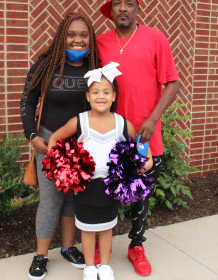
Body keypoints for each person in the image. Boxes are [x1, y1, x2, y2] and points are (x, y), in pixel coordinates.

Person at [97, 0, 180, 276]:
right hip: (109, 134)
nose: (123, 8)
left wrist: (153, 118)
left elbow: (172, 82)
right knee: (103, 189)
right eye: (117, 3)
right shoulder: (100, 43)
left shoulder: (155, 38)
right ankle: (99, 243)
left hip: (145, 135)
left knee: (140, 193)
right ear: (111, 10)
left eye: (128, 4)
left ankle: (136, 245)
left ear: (136, 8)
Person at [47, 62, 153, 280]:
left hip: (111, 186)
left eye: (106, 92)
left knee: (106, 228)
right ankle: (89, 267)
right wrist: (59, 163)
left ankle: (104, 266)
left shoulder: (122, 123)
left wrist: (145, 164)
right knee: (87, 229)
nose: (101, 96)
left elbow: (144, 149)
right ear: (87, 96)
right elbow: (55, 139)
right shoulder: (80, 121)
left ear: (114, 96)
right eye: (95, 92)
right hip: (86, 186)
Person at [20, 12, 99, 280]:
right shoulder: (46, 64)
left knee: (72, 202)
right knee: (51, 201)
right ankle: (40, 255)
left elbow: (108, 102)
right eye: (72, 34)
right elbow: (27, 101)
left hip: (81, 144)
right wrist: (32, 135)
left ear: (91, 38)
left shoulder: (96, 68)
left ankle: (67, 248)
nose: (78, 40)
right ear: (62, 36)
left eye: (83, 35)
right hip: (49, 141)